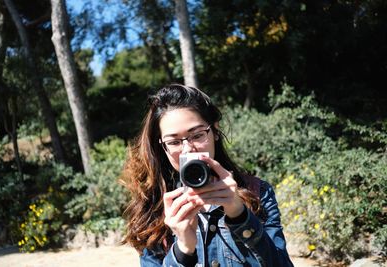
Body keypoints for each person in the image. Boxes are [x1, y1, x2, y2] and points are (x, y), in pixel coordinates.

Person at [120, 84, 294, 266]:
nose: (188, 148)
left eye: (197, 135)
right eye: (174, 142)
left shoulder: (258, 191)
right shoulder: (153, 208)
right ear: (162, 147)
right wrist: (183, 250)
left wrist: (240, 215)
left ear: (215, 131)